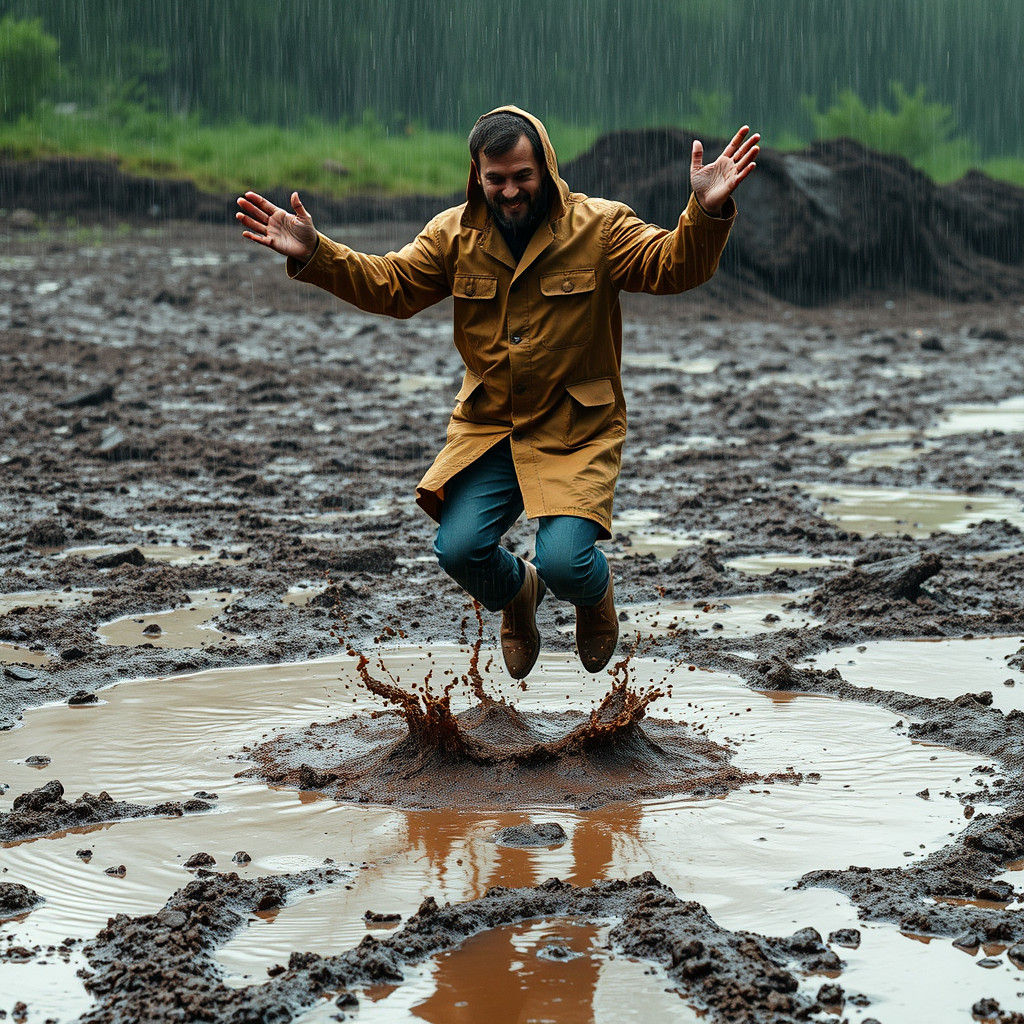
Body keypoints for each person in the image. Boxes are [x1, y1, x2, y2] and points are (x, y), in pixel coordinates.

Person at [236, 105, 758, 680]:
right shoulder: (453, 234)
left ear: (546, 167)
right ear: (478, 176)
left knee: (565, 562)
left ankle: (595, 593)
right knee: (458, 551)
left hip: (575, 427)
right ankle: (518, 595)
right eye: (496, 180)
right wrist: (316, 253)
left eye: (522, 177)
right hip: (491, 427)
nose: (510, 192)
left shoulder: (601, 226)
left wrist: (706, 213)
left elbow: (672, 265)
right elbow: (392, 287)